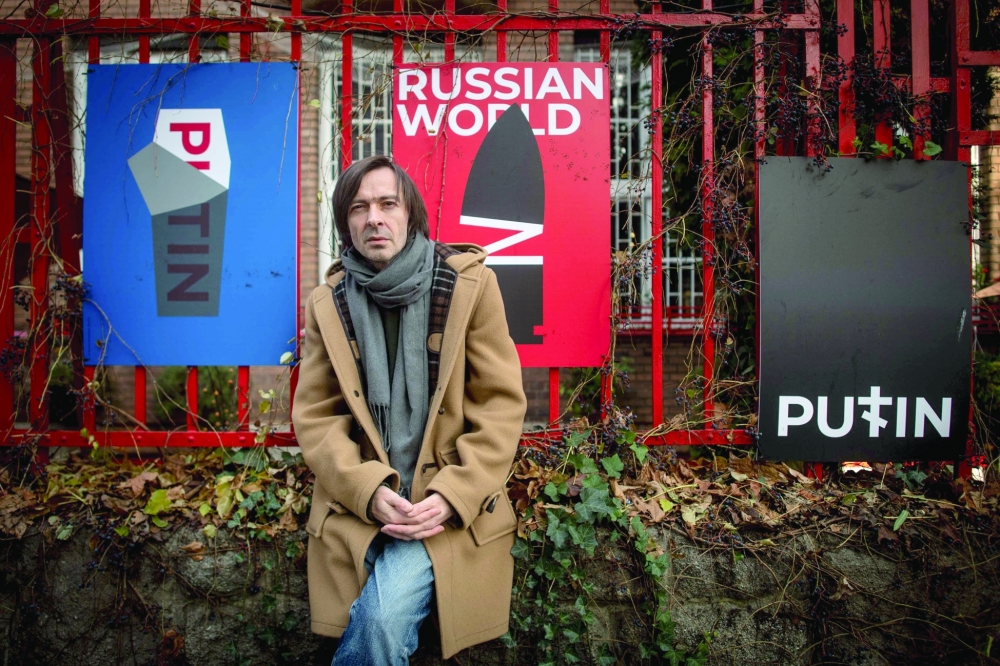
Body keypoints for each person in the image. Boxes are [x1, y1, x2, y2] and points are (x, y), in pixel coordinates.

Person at [292, 154, 527, 664]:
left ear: (410, 214)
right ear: (346, 222)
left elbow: (500, 405)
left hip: (441, 511)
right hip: (362, 508)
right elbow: (317, 415)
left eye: (387, 204)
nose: (373, 218)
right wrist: (367, 490)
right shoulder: (328, 302)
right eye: (359, 207)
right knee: (376, 625)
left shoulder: (468, 286)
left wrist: (452, 495)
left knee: (380, 621)